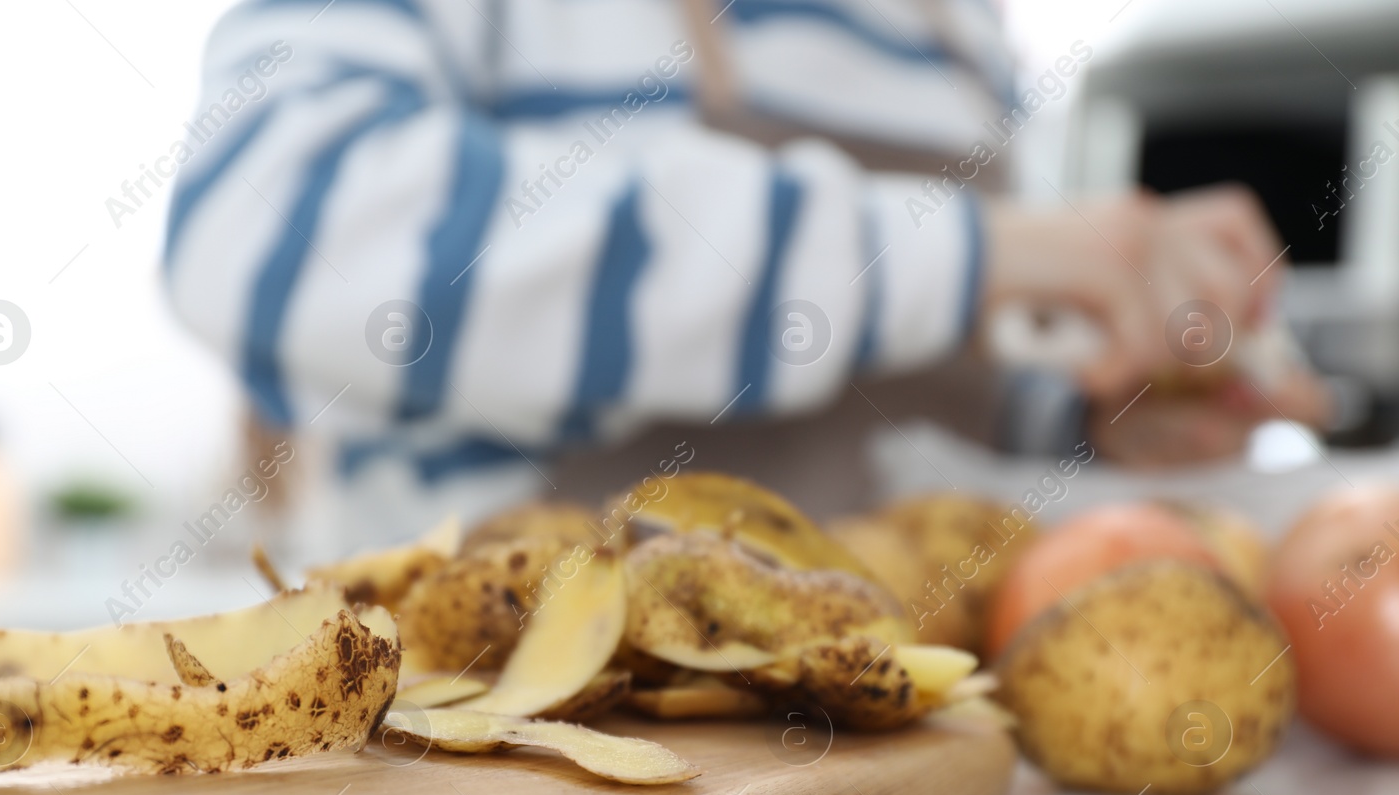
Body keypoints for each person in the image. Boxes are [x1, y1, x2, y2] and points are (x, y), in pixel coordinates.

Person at [163, 0, 1328, 549]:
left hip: (885, 762)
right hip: (509, 768)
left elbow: (913, 381)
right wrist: (956, 250)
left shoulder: (957, 30)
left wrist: (1083, 417)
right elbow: (265, 221)